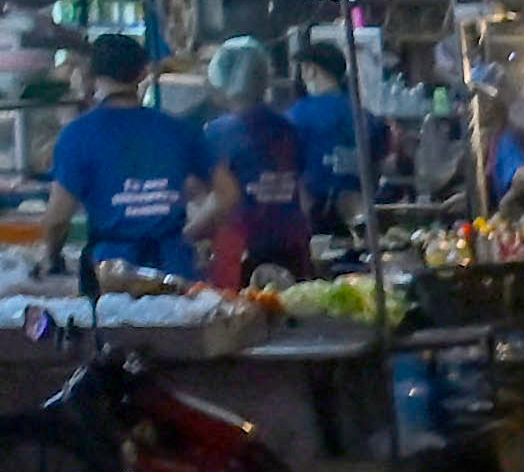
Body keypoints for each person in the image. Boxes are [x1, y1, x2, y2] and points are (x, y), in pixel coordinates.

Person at [45, 35, 205, 289]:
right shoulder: (179, 130)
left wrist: (51, 259)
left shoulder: (77, 135)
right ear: (143, 73)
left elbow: (57, 218)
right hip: (177, 270)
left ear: (92, 75)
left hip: (114, 275)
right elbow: (216, 197)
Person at [194, 39, 314, 282]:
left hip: (240, 252)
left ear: (223, 81)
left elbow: (220, 199)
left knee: (243, 315)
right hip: (291, 248)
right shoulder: (289, 128)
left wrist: (188, 233)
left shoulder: (219, 132)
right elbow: (303, 195)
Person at [285, 43, 389, 229]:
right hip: (360, 215)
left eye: (301, 70)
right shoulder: (366, 117)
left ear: (311, 70)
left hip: (314, 216)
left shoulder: (297, 116)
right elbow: (380, 164)